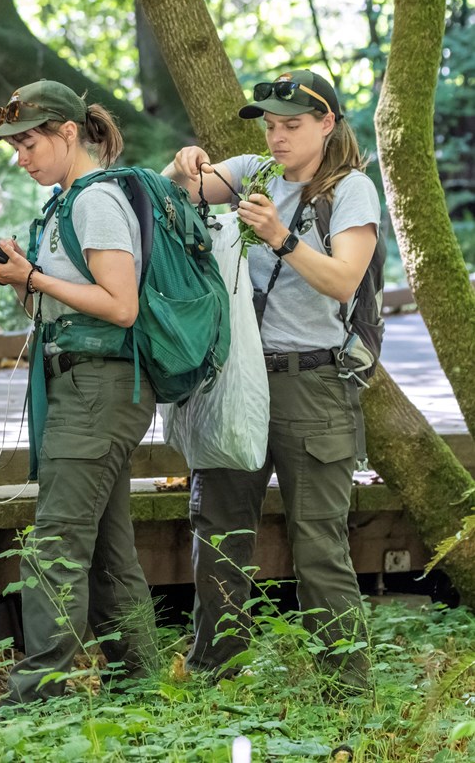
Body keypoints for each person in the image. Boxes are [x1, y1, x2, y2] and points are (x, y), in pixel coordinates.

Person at [164, 69, 378, 692]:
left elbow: (344, 281)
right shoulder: (251, 172)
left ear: (326, 124)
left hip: (312, 386)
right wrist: (183, 167)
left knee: (318, 544)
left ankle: (347, 690)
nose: (277, 137)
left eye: (291, 125)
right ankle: (215, 676)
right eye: (270, 124)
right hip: (237, 377)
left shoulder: (350, 189)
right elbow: (176, 191)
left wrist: (280, 237)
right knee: (220, 531)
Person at [0, 80, 157, 704]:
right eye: (13, 147)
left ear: (68, 133)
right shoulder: (62, 203)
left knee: (54, 545)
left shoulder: (96, 202)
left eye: (28, 143)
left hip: (98, 389)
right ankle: (140, 683)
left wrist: (36, 276)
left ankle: (35, 701)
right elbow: (59, 306)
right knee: (106, 546)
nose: (19, 157)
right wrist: (16, 279)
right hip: (77, 383)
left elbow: (121, 306)